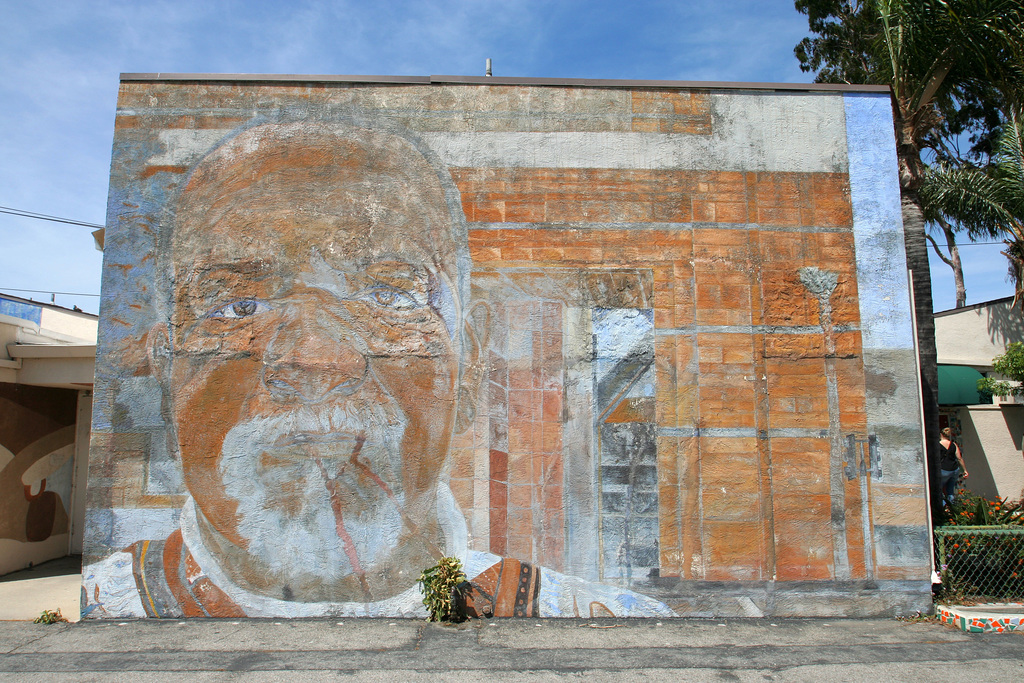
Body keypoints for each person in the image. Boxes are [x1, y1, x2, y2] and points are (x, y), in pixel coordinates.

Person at [83, 121, 673, 619]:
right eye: (238, 306)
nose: (315, 360)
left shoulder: (598, 622)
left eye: (389, 296)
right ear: (165, 371)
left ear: (467, 370)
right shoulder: (104, 604)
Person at [938, 427, 968, 506]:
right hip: (954, 470)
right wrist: (965, 470)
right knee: (950, 491)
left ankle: (944, 507)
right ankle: (951, 508)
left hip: (943, 469)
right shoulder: (954, 445)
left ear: (941, 434)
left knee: (939, 490)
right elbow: (959, 458)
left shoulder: (938, 445)